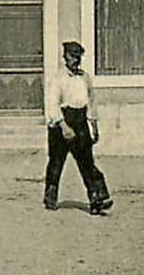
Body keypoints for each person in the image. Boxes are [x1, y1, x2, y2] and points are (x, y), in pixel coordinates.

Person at [43, 40, 112, 215]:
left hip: (80, 121)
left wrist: (94, 125)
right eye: (72, 56)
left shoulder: (85, 78)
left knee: (87, 162)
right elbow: (52, 104)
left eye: (78, 57)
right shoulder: (58, 78)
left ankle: (97, 198)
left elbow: (91, 102)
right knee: (56, 162)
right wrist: (64, 126)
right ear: (64, 56)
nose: (75, 60)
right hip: (62, 122)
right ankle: (50, 196)